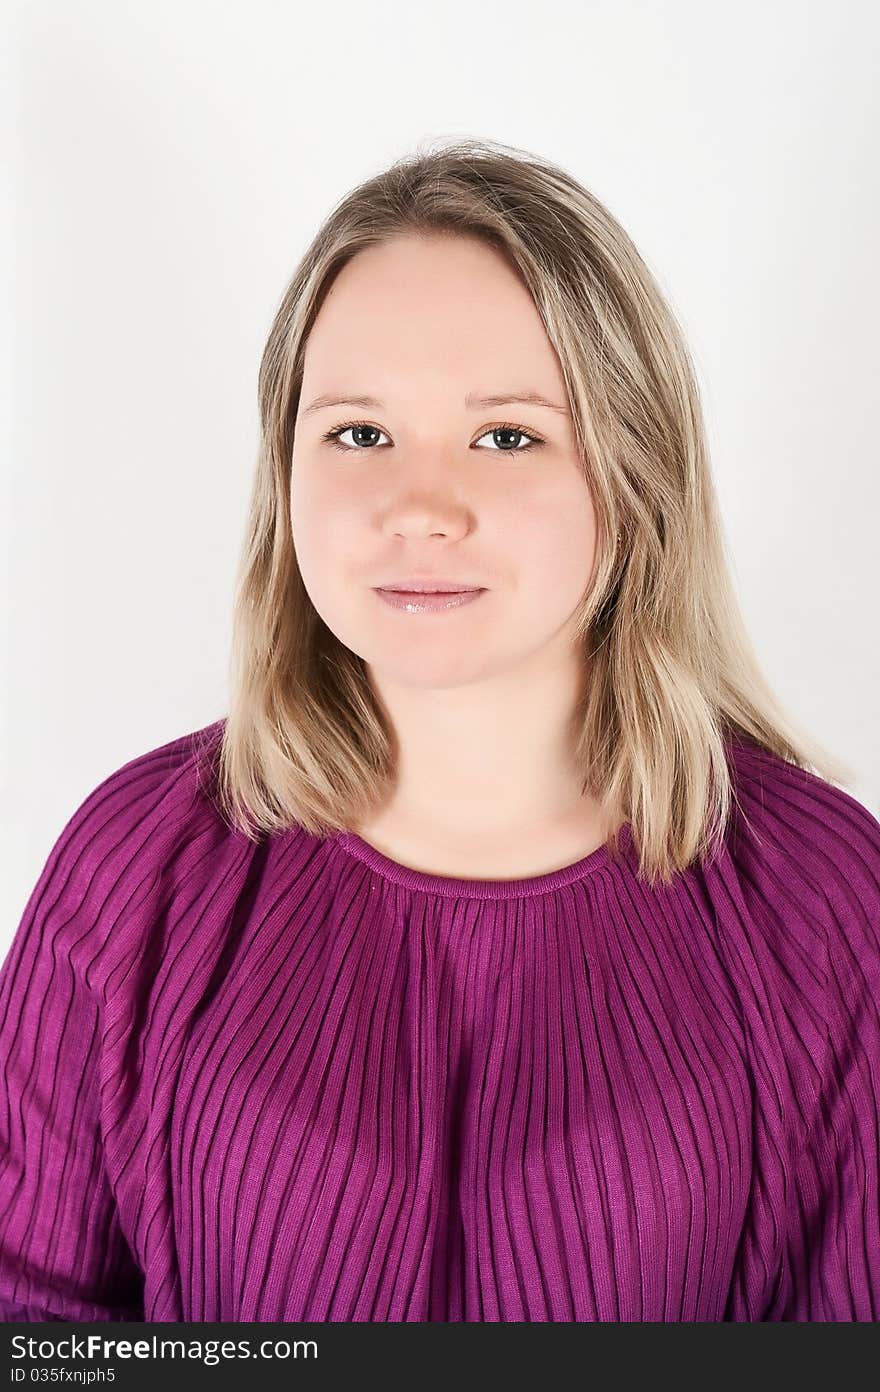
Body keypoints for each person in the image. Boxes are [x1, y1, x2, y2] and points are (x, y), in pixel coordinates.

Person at [1, 137, 878, 1323]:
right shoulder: (131, 868)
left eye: (506, 436)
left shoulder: (825, 901)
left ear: (634, 473)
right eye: (358, 433)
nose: (418, 506)